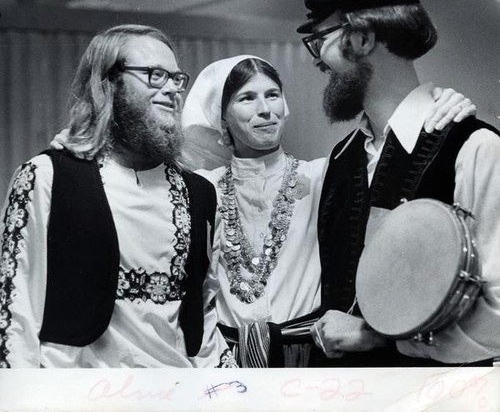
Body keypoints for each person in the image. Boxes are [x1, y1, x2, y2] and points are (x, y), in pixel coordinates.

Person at [181, 54, 476, 367]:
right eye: (247, 98)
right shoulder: (204, 189)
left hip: (311, 355)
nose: (266, 110)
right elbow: (198, 292)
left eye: (272, 95)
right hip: (225, 359)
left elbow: (387, 143)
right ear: (221, 115)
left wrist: (441, 102)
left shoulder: (326, 175)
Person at [296, 0, 500, 366]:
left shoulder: (476, 147)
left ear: (362, 38)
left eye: (319, 40)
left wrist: (379, 338)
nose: (317, 60)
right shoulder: (341, 158)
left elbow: (497, 312)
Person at [0, 24, 236, 368]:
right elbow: (15, 313)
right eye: (155, 75)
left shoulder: (199, 194)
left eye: (176, 78)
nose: (171, 89)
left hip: (174, 394)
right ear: (106, 83)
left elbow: (202, 318)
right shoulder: (48, 176)